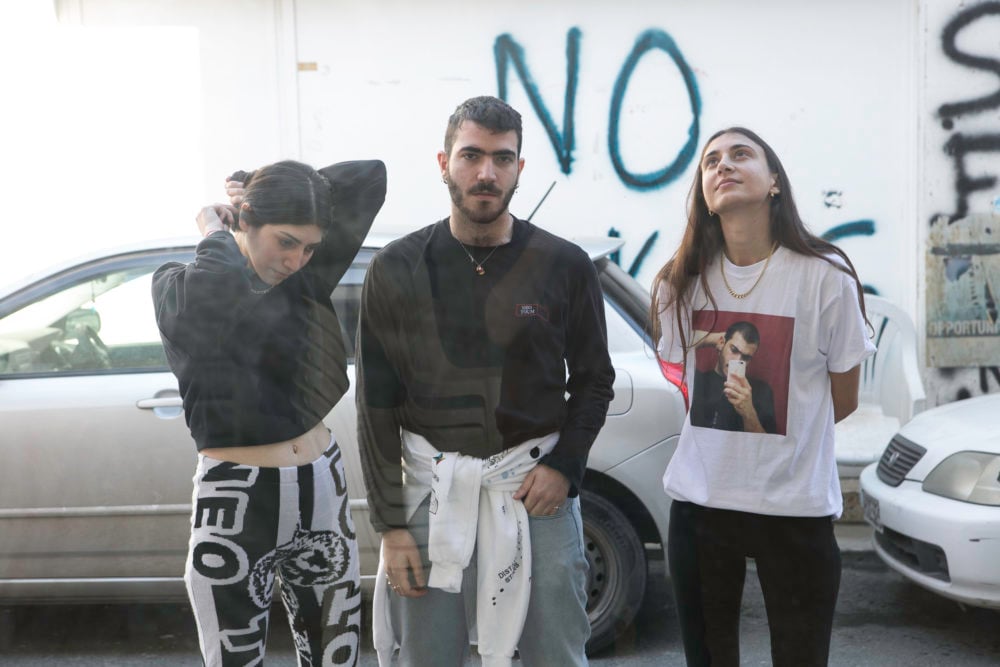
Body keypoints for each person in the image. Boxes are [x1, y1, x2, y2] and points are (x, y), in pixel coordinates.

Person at [356, 95, 615, 666]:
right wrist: (390, 526)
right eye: (471, 155)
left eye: (502, 158)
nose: (486, 172)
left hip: (535, 488)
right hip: (432, 487)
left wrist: (565, 466)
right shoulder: (397, 266)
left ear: (520, 168)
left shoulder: (563, 264)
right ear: (443, 162)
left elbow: (595, 380)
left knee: (556, 653)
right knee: (428, 656)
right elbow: (376, 406)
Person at [651, 127, 874, 667]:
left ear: (774, 181)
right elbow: (688, 390)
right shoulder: (679, 283)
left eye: (740, 154)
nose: (723, 165)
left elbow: (841, 400)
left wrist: (758, 413)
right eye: (710, 162)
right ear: (704, 193)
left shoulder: (826, 276)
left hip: (795, 508)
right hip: (701, 506)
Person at [152, 158, 386, 666]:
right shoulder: (177, 288)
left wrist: (262, 177)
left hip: (321, 482)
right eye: (285, 242)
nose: (297, 259)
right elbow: (214, 300)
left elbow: (371, 177)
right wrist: (215, 229)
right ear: (245, 221)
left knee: (335, 657)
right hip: (236, 495)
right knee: (234, 659)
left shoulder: (300, 280)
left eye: (309, 248)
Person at [690, 320, 777, 434]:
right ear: (722, 343)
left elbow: (768, 445)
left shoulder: (761, 391)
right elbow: (677, 343)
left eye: (746, 357)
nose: (738, 360)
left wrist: (749, 413)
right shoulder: (698, 380)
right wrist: (714, 338)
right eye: (734, 350)